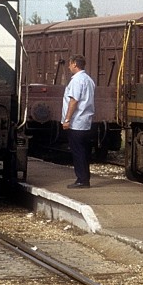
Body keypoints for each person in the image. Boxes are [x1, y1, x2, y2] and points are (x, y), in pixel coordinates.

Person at [61, 54, 96, 189]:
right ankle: (85, 178)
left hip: (76, 122)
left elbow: (74, 101)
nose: (69, 66)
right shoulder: (89, 80)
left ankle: (82, 180)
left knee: (78, 151)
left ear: (75, 64)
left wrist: (67, 119)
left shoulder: (76, 81)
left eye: (70, 64)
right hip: (86, 121)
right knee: (85, 151)